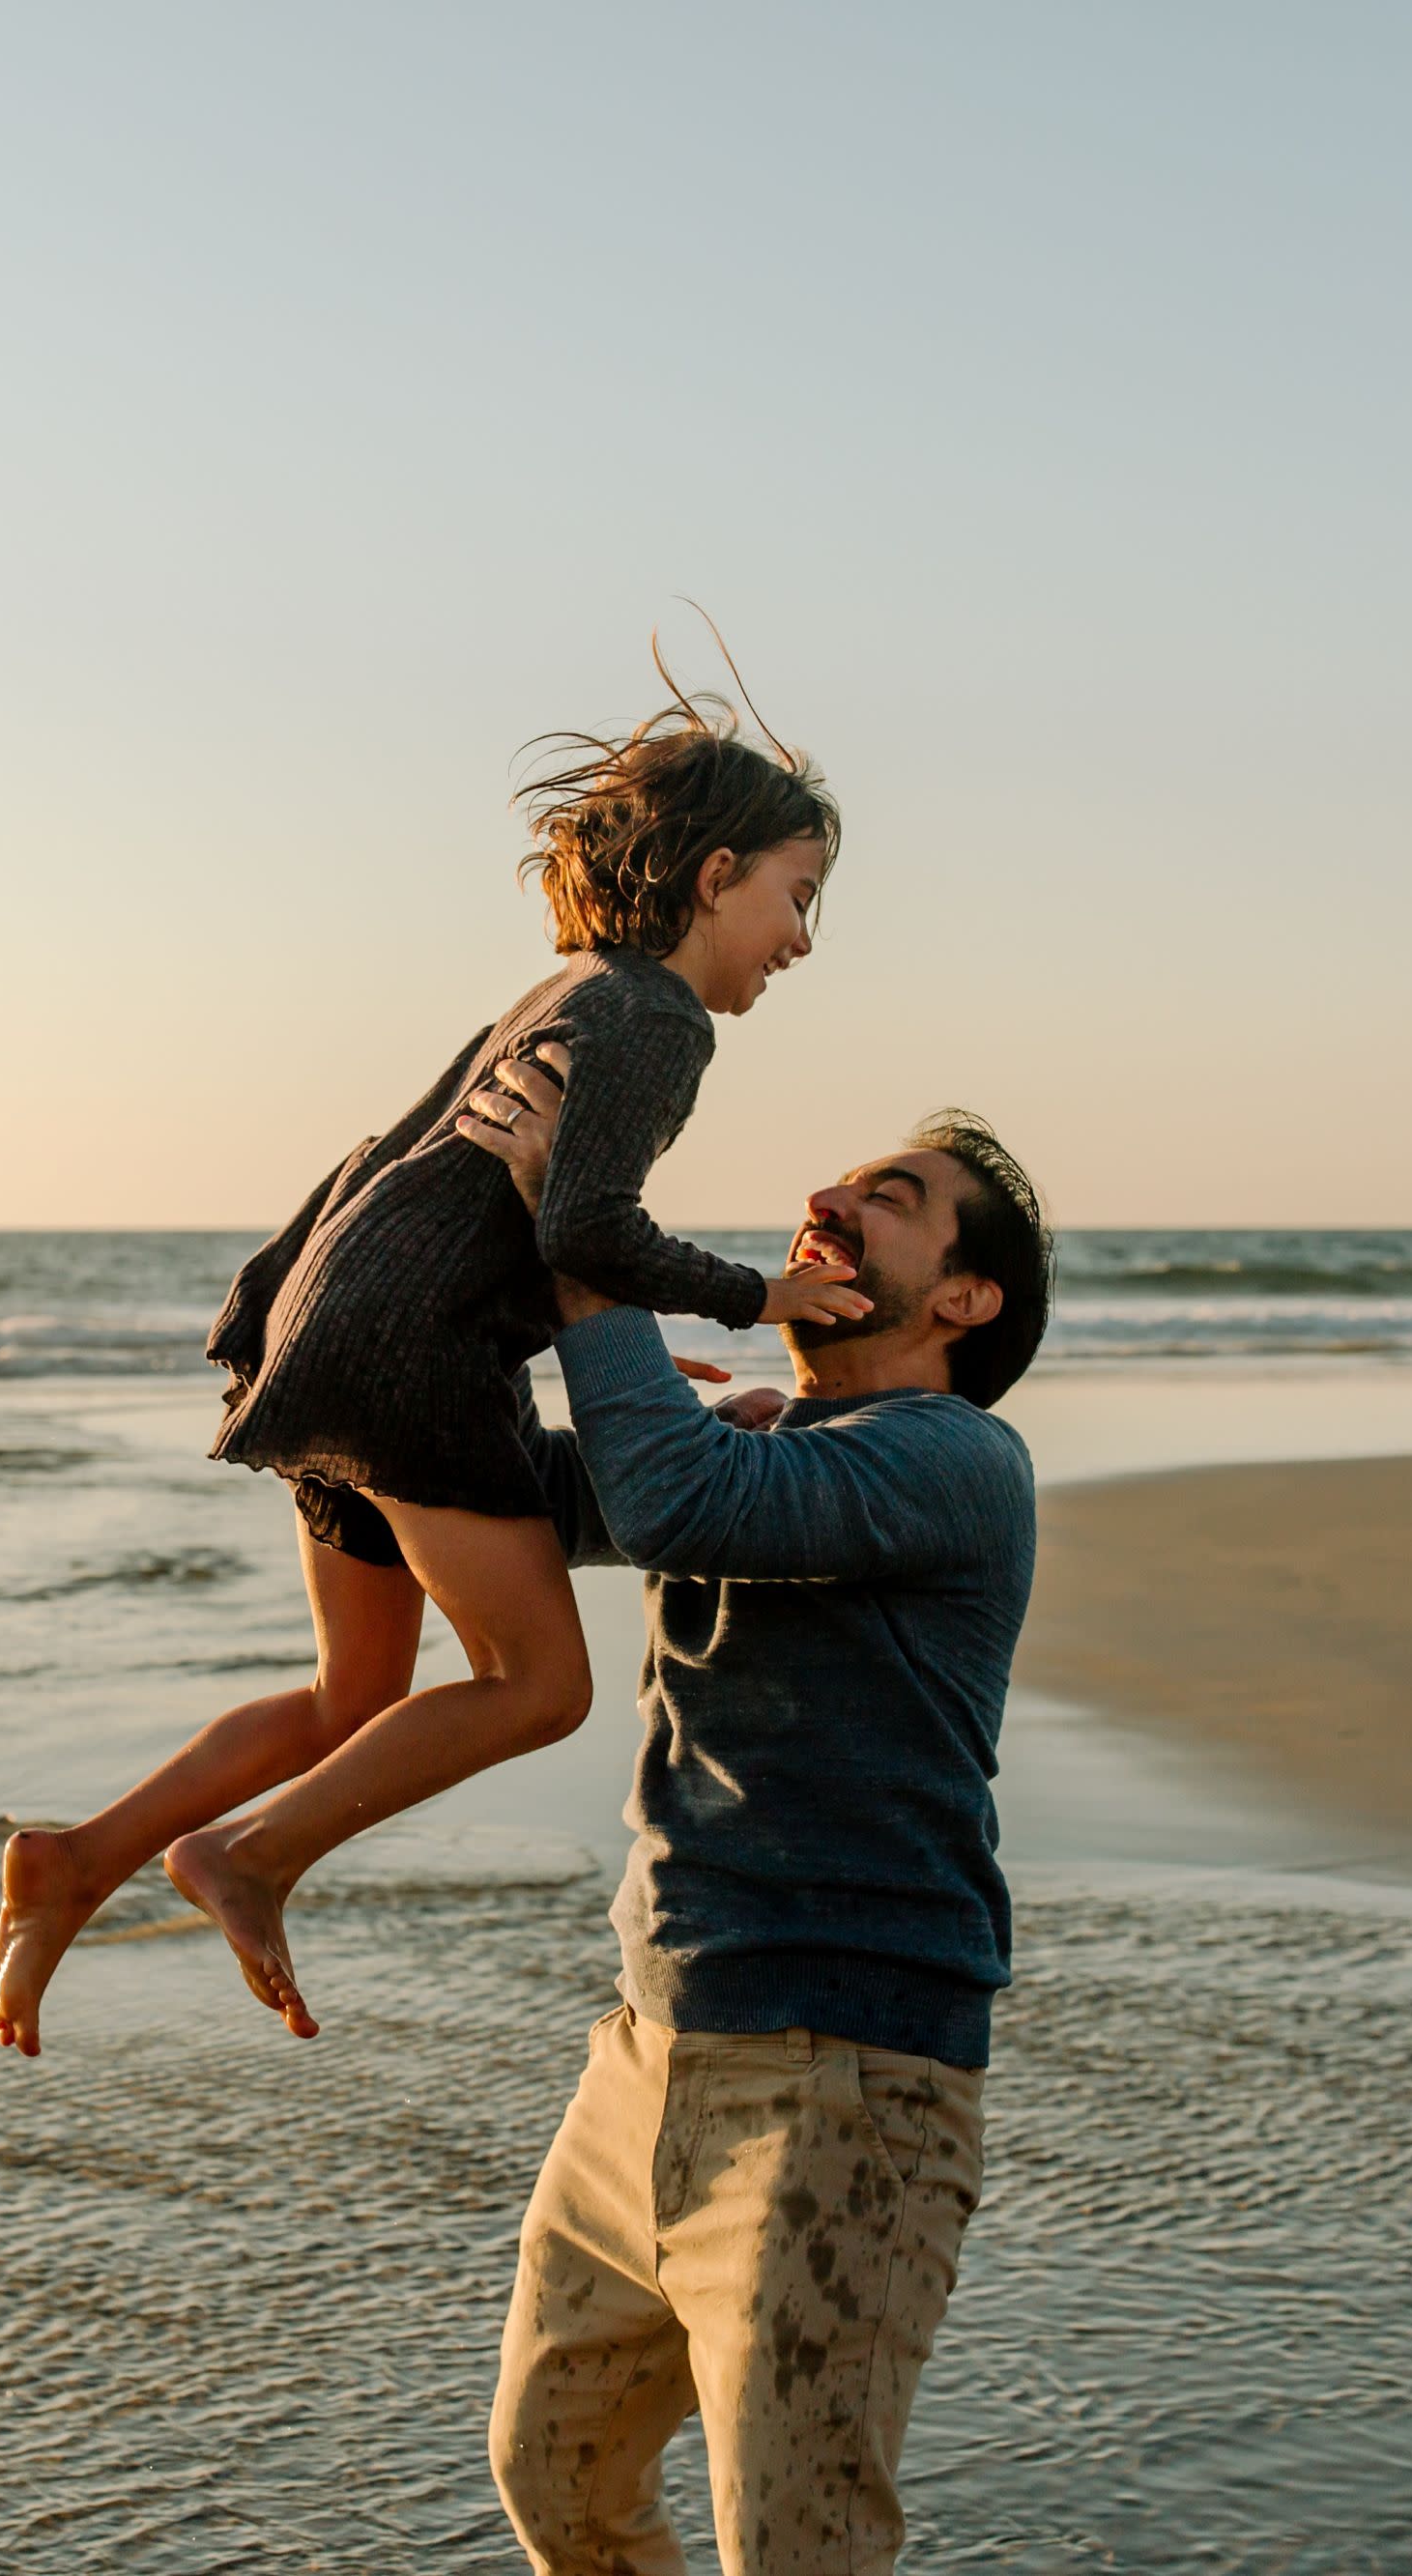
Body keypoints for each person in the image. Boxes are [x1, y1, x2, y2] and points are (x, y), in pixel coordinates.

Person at [0, 661, 872, 2053]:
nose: (802, 938)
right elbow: (585, 1219)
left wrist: (312, 1324)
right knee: (540, 1686)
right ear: (715, 877)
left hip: (334, 1343)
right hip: (407, 1367)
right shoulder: (657, 1017)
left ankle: (77, 1858)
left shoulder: (569, 987)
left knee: (359, 1695)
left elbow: (425, 1180)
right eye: (797, 896)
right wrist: (765, 1295)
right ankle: (249, 1857)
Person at [458, 1055, 1052, 2576]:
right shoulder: (773, 1439)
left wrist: (588, 1244)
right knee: (555, 2476)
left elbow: (670, 1502)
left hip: (845, 2087)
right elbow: (538, 1493)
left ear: (964, 1302)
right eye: (845, 1182)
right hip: (648, 2053)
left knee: (799, 2548)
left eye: (893, 1203)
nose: (832, 1203)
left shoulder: (958, 1462)